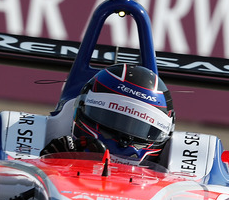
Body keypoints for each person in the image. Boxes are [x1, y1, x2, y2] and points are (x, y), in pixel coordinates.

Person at [42, 63, 175, 163]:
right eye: (111, 118)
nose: (122, 142)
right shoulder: (55, 150)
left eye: (139, 127)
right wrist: (48, 163)